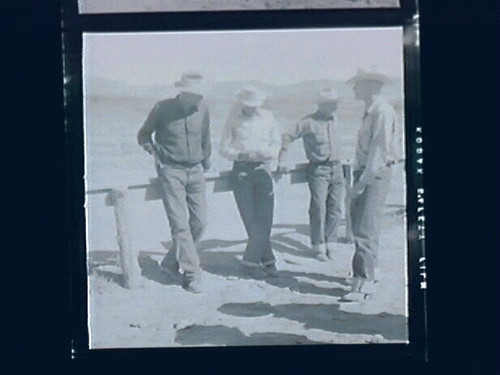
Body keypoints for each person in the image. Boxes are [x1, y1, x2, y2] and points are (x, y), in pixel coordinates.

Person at [137, 72, 211, 293]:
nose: (199, 99)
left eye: (200, 95)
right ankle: (192, 274)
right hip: (171, 171)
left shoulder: (203, 108)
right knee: (179, 224)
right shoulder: (162, 108)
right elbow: (143, 135)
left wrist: (205, 161)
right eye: (195, 95)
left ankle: (170, 261)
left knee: (200, 223)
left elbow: (206, 137)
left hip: (196, 171)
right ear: (184, 93)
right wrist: (156, 154)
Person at [342, 68, 399, 302]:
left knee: (365, 228)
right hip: (367, 171)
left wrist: (360, 184)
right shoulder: (372, 111)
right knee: (364, 225)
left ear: (371, 87)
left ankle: (363, 282)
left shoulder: (382, 112)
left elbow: (378, 153)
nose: (355, 89)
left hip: (373, 173)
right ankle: (369, 273)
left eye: (359, 85)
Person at [219, 86, 282, 279]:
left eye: (254, 105)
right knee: (251, 220)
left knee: (265, 219)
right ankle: (269, 263)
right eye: (247, 105)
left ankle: (249, 263)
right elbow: (223, 147)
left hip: (263, 170)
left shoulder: (268, 118)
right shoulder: (233, 119)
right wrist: (241, 154)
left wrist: (269, 155)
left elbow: (276, 143)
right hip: (242, 171)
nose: (250, 109)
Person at [278, 88, 344, 262]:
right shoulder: (308, 122)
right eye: (331, 104)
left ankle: (332, 244)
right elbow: (286, 136)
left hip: (337, 168)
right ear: (321, 105)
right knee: (318, 208)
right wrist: (283, 158)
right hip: (318, 170)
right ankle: (318, 246)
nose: (334, 106)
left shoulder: (336, 120)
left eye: (335, 103)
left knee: (336, 208)